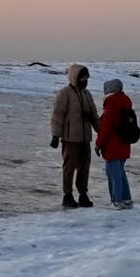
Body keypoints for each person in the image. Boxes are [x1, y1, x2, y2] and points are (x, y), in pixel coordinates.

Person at [49, 63, 101, 208]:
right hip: (70, 138)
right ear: (75, 78)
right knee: (69, 167)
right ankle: (67, 195)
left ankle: (83, 194)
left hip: (85, 138)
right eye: (83, 78)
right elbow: (57, 116)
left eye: (86, 78)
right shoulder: (64, 93)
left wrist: (101, 130)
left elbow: (94, 115)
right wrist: (55, 135)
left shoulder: (87, 94)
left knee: (84, 167)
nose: (85, 81)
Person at [95, 78, 135, 209]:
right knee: (121, 173)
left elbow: (106, 126)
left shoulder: (111, 102)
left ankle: (116, 201)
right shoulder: (126, 100)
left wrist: (98, 143)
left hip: (112, 145)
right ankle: (127, 199)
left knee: (114, 174)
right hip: (125, 143)